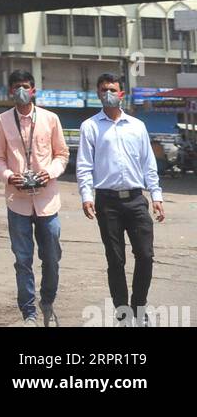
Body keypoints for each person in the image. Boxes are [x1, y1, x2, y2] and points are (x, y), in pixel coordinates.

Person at [76, 72, 165, 327]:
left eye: (113, 90)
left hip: (136, 200)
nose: (108, 94)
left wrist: (156, 195)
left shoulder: (137, 126)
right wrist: (86, 196)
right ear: (97, 94)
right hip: (107, 202)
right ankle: (123, 312)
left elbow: (149, 164)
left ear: (122, 93)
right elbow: (83, 166)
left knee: (145, 255)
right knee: (115, 259)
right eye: (104, 90)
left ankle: (139, 308)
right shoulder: (90, 126)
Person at [0, 69, 69, 328]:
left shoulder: (50, 119)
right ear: (10, 91)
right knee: (22, 259)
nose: (21, 91)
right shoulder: (1, 121)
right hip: (17, 200)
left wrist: (49, 173)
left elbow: (62, 155)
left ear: (34, 90)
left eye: (25, 86)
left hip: (47, 200)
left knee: (51, 256)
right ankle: (29, 314)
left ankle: (47, 300)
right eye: (16, 87)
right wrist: (9, 175)